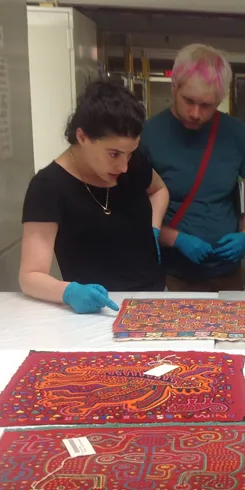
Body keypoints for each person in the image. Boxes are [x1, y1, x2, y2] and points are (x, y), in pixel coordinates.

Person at [19, 80, 169, 314]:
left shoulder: (133, 163)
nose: (123, 166)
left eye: (129, 154)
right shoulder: (48, 187)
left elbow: (159, 190)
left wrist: (154, 227)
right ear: (82, 137)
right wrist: (68, 292)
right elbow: (30, 276)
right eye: (114, 154)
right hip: (97, 310)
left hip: (153, 297)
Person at [140, 43, 245, 292]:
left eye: (207, 105)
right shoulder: (148, 136)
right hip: (170, 275)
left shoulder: (238, 136)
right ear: (174, 86)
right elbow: (134, 213)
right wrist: (175, 239)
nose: (195, 113)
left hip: (226, 274)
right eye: (188, 101)